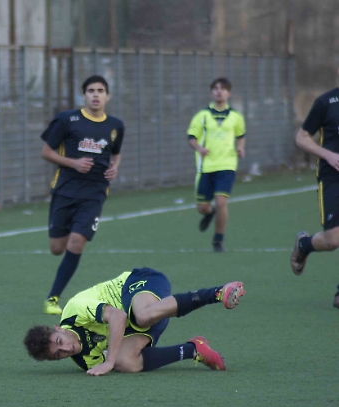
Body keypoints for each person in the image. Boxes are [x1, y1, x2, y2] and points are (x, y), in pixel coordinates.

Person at [24, 267, 245, 375]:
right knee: (125, 363)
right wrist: (114, 361)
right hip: (144, 325)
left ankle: (217, 293)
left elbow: (118, 317)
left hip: (141, 283)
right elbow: (120, 355)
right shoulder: (84, 361)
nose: (67, 349)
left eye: (60, 342)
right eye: (59, 354)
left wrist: (109, 362)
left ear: (58, 328)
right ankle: (193, 349)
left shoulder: (73, 311)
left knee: (141, 315)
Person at [40, 75, 124, 316]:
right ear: (84, 95)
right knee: (57, 248)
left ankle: (52, 298)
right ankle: (67, 232)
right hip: (65, 190)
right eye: (91, 91)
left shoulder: (115, 126)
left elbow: (115, 153)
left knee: (77, 242)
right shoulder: (67, 120)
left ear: (107, 96)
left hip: (94, 193)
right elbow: (46, 152)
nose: (96, 95)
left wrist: (115, 167)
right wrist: (73, 163)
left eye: (100, 91)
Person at [291, 66, 339, 309]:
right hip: (332, 176)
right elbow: (301, 138)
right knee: (333, 240)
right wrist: (328, 155)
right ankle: (304, 245)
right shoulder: (326, 102)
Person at [187, 77, 246, 252]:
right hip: (206, 167)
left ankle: (218, 239)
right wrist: (199, 148)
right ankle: (209, 212)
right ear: (211, 92)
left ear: (229, 93)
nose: (219, 91)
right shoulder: (202, 116)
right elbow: (191, 137)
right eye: (216, 88)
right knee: (202, 207)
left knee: (221, 202)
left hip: (227, 165)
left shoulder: (236, 116)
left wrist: (240, 148)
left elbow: (241, 136)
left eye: (223, 89)